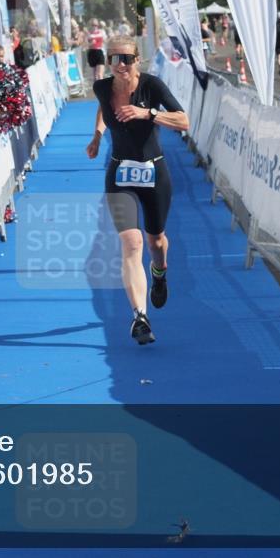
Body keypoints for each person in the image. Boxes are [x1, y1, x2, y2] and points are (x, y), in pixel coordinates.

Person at [85, 35, 189, 345]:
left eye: (126, 58)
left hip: (153, 171)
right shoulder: (102, 87)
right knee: (131, 243)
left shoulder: (152, 86)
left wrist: (148, 113)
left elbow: (184, 121)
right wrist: (96, 135)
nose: (120, 65)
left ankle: (160, 272)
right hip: (120, 173)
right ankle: (140, 317)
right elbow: (104, 109)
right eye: (114, 58)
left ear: (137, 60)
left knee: (155, 241)